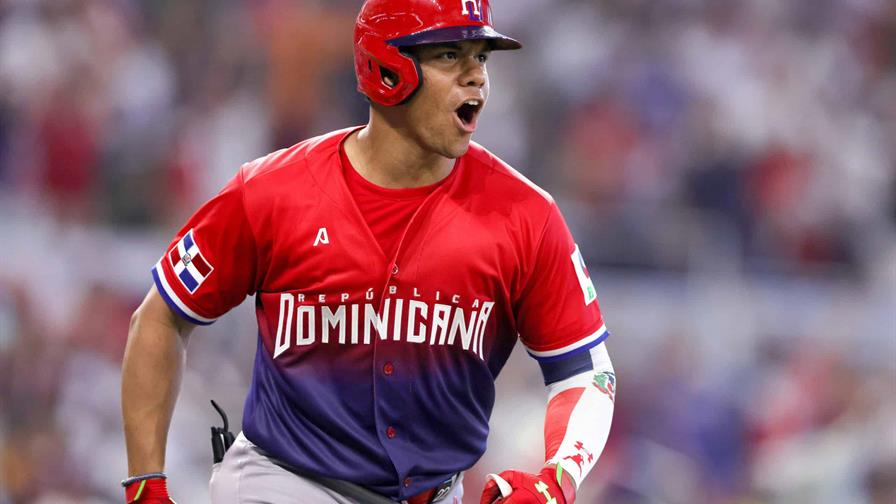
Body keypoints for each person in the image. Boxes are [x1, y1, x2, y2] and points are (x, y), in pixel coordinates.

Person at [120, 1, 616, 503]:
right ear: (387, 68)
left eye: (481, 57)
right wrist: (145, 483)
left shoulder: (526, 215)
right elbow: (161, 316)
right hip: (285, 482)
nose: (477, 78)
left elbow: (586, 370)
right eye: (450, 55)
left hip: (437, 493)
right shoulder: (272, 191)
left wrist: (557, 477)